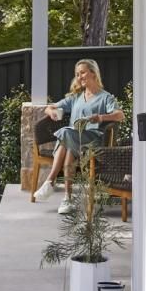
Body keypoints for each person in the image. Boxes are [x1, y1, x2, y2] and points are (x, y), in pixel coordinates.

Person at [32, 58, 124, 212]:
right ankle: (67, 199)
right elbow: (50, 107)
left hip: (93, 140)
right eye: (77, 74)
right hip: (74, 138)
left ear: (93, 73)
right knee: (69, 150)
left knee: (65, 133)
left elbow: (120, 115)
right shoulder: (76, 97)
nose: (79, 77)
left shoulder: (105, 97)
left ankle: (50, 181)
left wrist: (101, 117)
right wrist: (52, 112)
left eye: (82, 73)